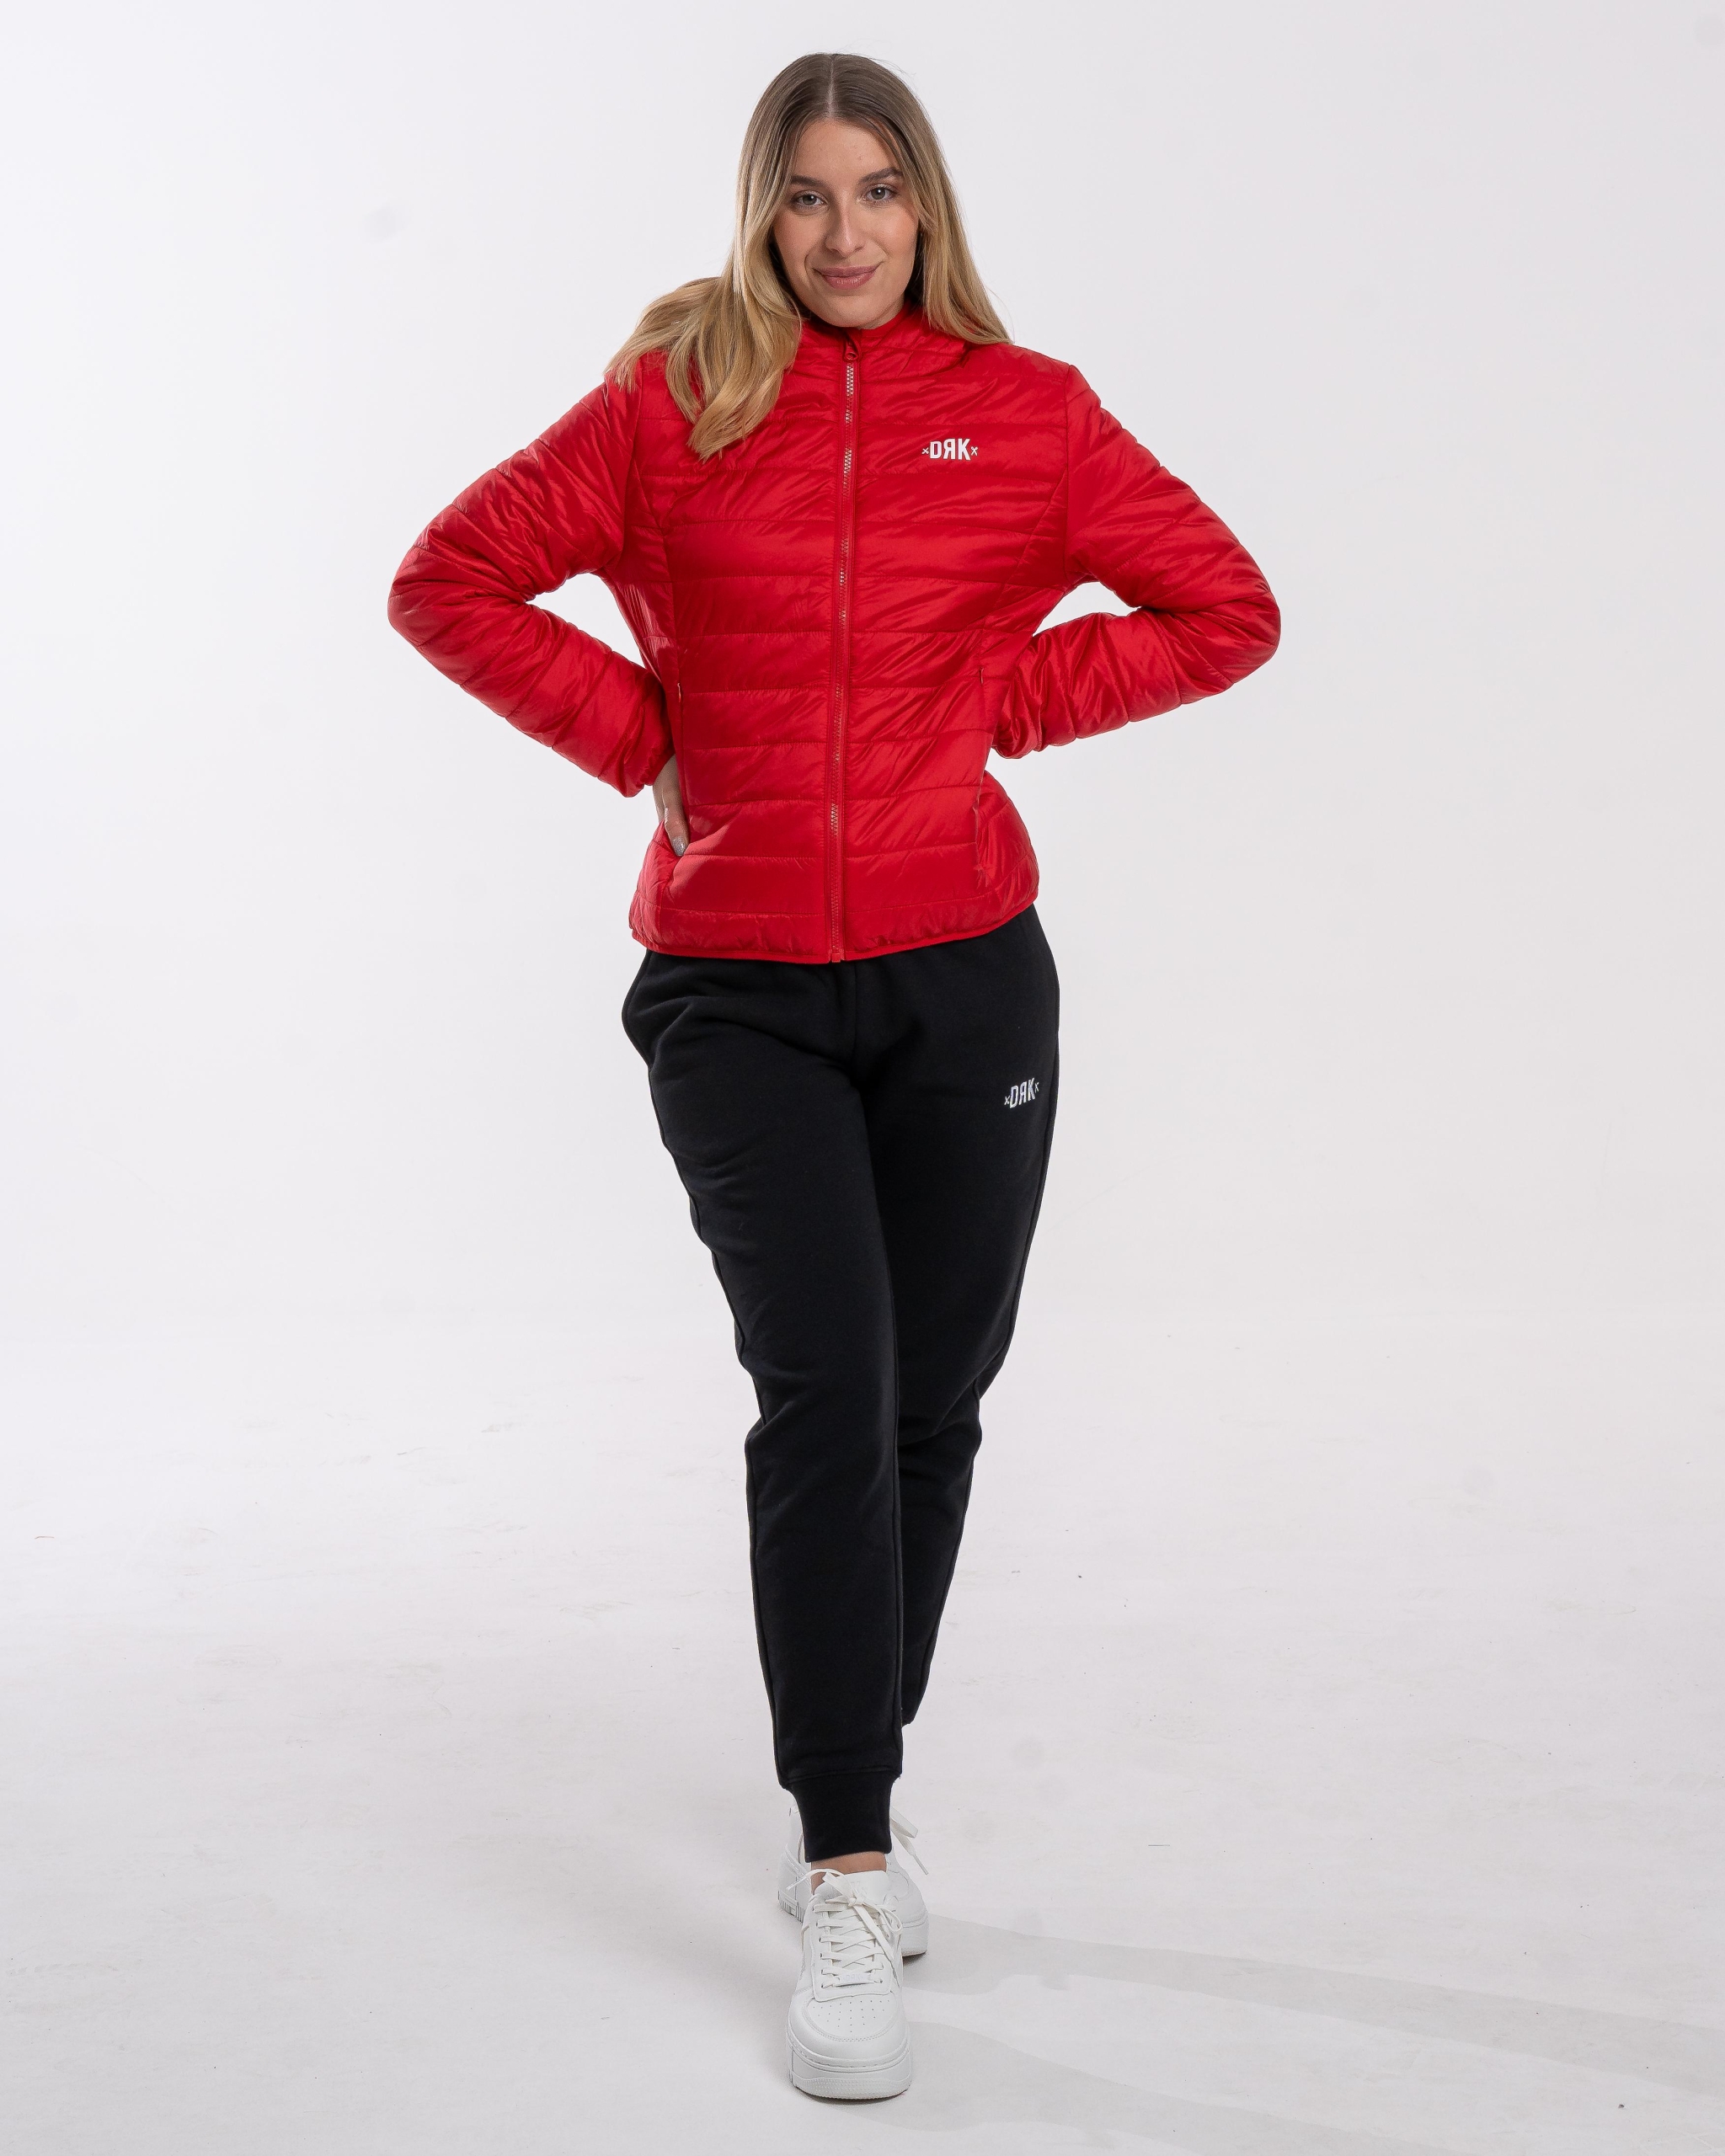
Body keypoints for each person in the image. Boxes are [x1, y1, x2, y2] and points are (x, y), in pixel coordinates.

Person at [388, 50, 1279, 2101]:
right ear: (759, 210)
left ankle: (854, 1773)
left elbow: (1223, 608)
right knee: (824, 1388)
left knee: (926, 1408)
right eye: (806, 194)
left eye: (879, 190)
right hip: (738, 986)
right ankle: (848, 1862)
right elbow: (447, 578)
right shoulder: (677, 398)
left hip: (968, 979)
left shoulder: (1029, 411)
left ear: (926, 206)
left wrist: (987, 711)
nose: (845, 229)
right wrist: (650, 740)